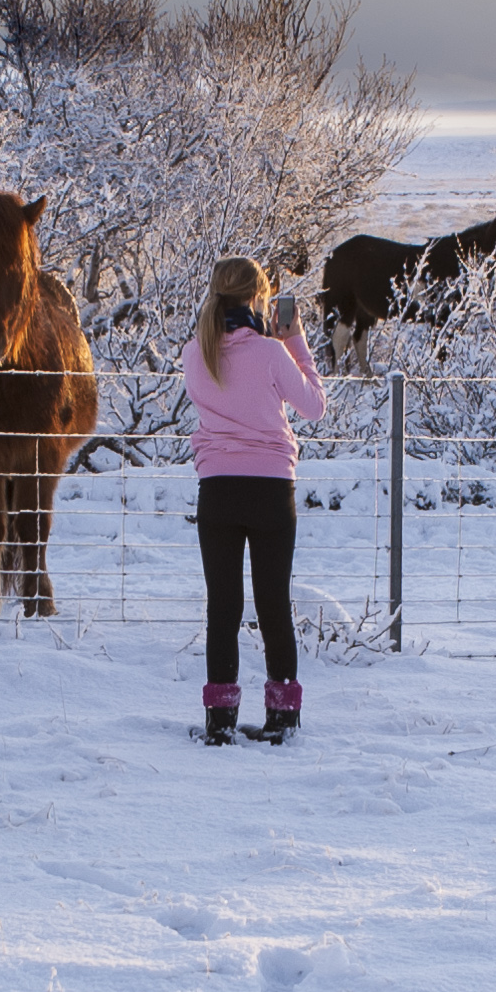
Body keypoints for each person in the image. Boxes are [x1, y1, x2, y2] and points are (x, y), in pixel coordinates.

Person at [181, 254, 327, 744]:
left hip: (218, 489)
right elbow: (314, 406)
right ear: (256, 297)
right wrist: (294, 342)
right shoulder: (270, 352)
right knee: (272, 605)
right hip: (269, 489)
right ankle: (282, 716)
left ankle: (220, 720)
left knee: (222, 606)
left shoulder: (193, 352)